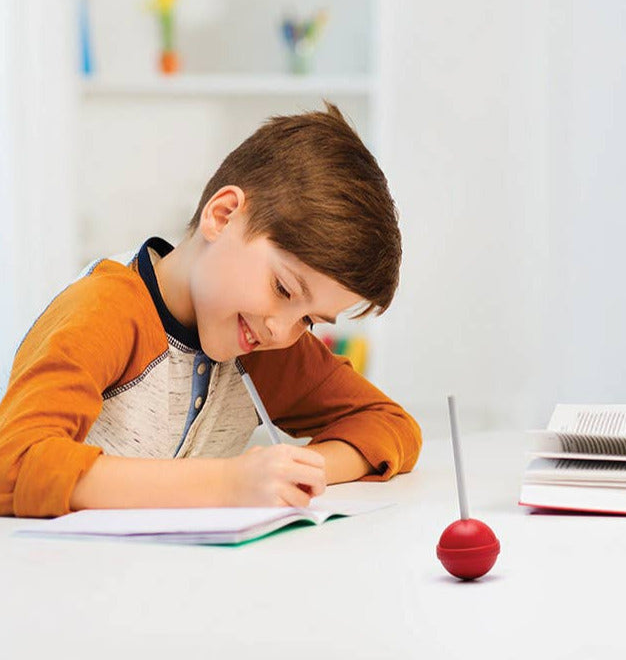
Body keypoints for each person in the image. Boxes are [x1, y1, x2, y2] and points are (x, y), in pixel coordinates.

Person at [0, 102, 422, 518]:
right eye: (283, 288)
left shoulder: (263, 344)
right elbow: (11, 463)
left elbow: (390, 424)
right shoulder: (105, 310)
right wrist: (227, 483)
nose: (282, 330)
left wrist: (298, 472)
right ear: (221, 216)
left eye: (309, 319)